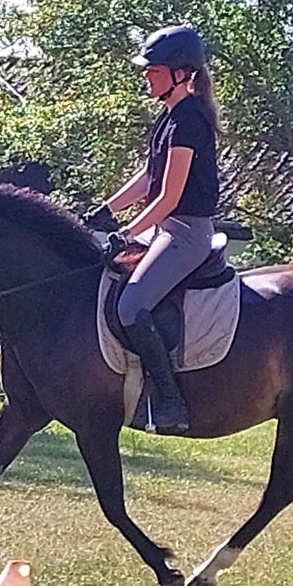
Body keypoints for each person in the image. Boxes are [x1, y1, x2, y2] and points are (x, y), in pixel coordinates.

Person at [83, 25, 221, 434]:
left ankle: (171, 400)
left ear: (181, 73)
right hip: (164, 229)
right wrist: (105, 210)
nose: (146, 76)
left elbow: (170, 197)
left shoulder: (190, 123)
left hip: (185, 233)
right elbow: (149, 177)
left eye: (153, 70)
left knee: (130, 307)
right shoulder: (168, 117)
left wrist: (127, 233)